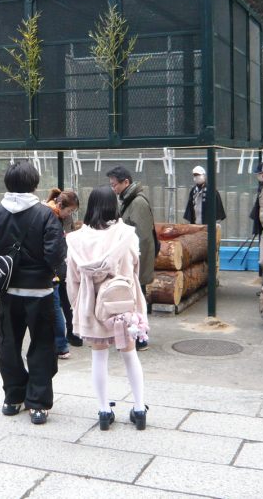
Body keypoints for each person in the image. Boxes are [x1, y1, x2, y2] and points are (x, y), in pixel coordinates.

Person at [0, 163, 65, 424]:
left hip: (8, 293)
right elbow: (55, 254)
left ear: (7, 184)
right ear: (35, 184)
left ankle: (13, 399)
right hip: (40, 292)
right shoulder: (46, 215)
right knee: (42, 345)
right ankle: (38, 404)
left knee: (8, 345)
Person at [66, 186, 149, 431]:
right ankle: (138, 408)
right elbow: (135, 270)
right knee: (130, 353)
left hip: (92, 306)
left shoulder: (76, 240)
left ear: (90, 207)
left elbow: (73, 281)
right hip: (123, 305)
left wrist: (76, 306)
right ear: (114, 206)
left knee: (98, 356)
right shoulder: (127, 235)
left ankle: (104, 411)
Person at [105, 165, 155, 351]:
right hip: (132, 259)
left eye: (114, 185)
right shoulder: (128, 200)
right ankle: (134, 336)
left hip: (136, 261)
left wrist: (133, 263)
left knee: (137, 300)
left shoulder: (137, 202)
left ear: (126, 182)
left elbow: (142, 237)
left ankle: (141, 339)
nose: (113, 188)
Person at [45, 188, 80, 358]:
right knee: (58, 304)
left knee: (61, 303)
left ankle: (63, 343)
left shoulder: (53, 214)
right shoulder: (50, 215)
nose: (70, 214)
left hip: (60, 266)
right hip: (57, 266)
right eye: (70, 211)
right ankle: (62, 343)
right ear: (60, 205)